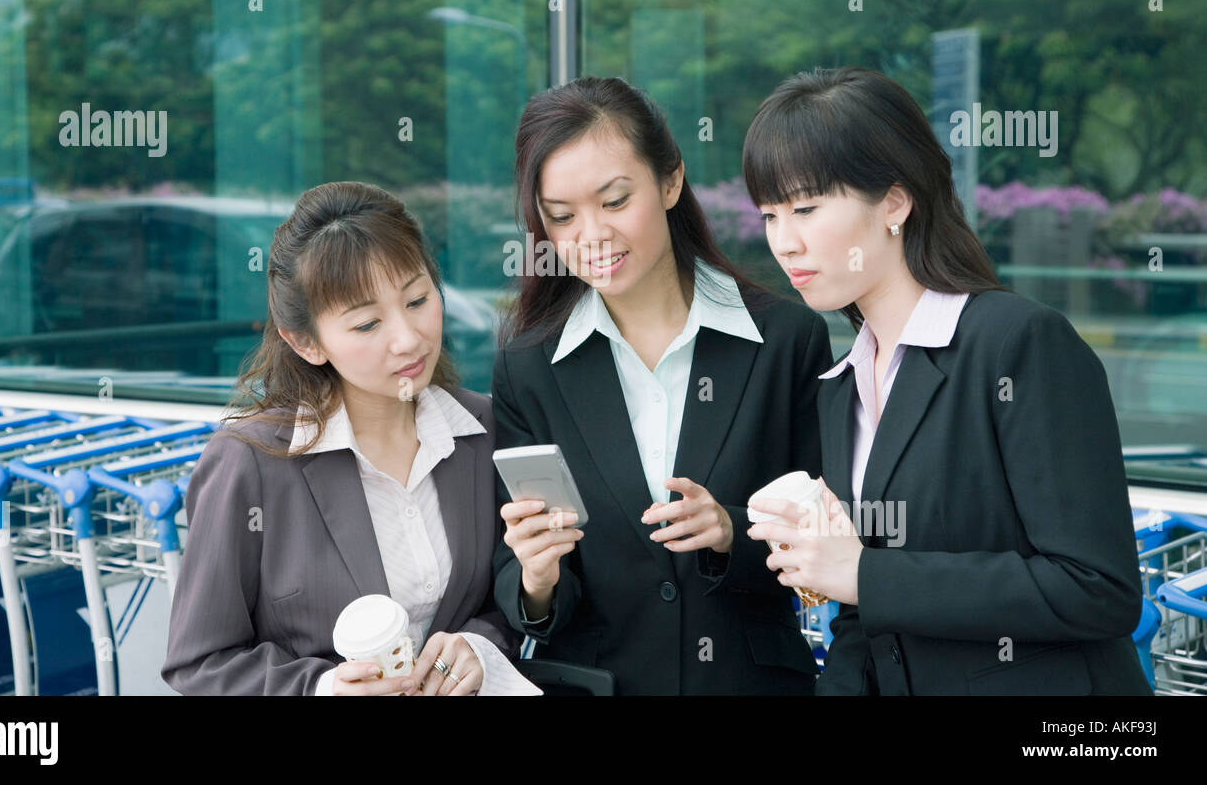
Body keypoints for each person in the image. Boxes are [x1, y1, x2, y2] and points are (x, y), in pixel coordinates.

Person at [741, 66, 1149, 695]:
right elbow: (862, 623)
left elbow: (1098, 589)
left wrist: (866, 574)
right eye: (769, 216)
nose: (784, 242)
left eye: (805, 208)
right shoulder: (842, 383)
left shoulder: (1017, 344)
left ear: (895, 204)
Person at [491, 76, 833, 695]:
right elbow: (524, 584)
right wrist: (535, 579)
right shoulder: (529, 367)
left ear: (670, 180)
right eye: (561, 217)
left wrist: (730, 533)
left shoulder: (786, 340)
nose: (590, 236)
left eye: (615, 201)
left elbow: (830, 540)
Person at [162, 181, 524, 696]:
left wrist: (481, 645)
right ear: (306, 342)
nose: (408, 337)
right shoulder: (250, 463)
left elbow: (507, 602)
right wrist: (322, 689)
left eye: (418, 299)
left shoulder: (482, 431)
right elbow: (199, 662)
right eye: (367, 323)